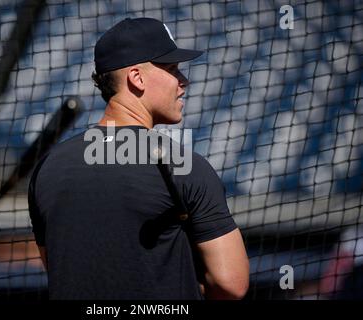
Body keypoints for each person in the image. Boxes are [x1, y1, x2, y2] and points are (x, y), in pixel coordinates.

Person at [28, 17, 249, 299]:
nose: (184, 81)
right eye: (172, 69)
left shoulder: (48, 168)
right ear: (137, 77)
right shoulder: (182, 164)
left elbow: (59, 268)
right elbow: (231, 284)